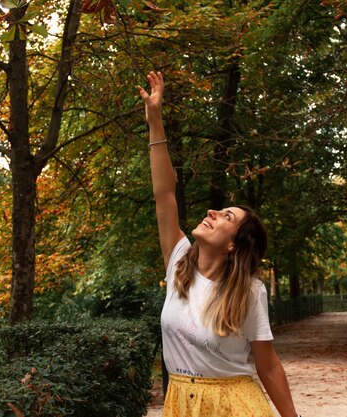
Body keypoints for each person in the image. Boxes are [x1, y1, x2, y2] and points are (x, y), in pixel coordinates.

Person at [138, 71, 301, 417]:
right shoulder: (179, 258)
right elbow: (164, 194)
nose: (212, 212)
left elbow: (268, 366)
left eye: (227, 217)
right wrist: (155, 123)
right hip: (180, 402)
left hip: (233, 404)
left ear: (233, 246)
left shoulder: (249, 291)